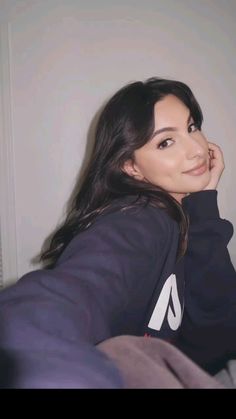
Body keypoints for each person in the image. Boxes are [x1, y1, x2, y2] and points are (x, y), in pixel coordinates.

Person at [0, 77, 235, 388]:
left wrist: (205, 202)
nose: (196, 150)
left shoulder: (177, 218)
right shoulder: (140, 218)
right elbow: (65, 295)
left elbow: (219, 330)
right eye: (166, 142)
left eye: (191, 127)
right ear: (131, 167)